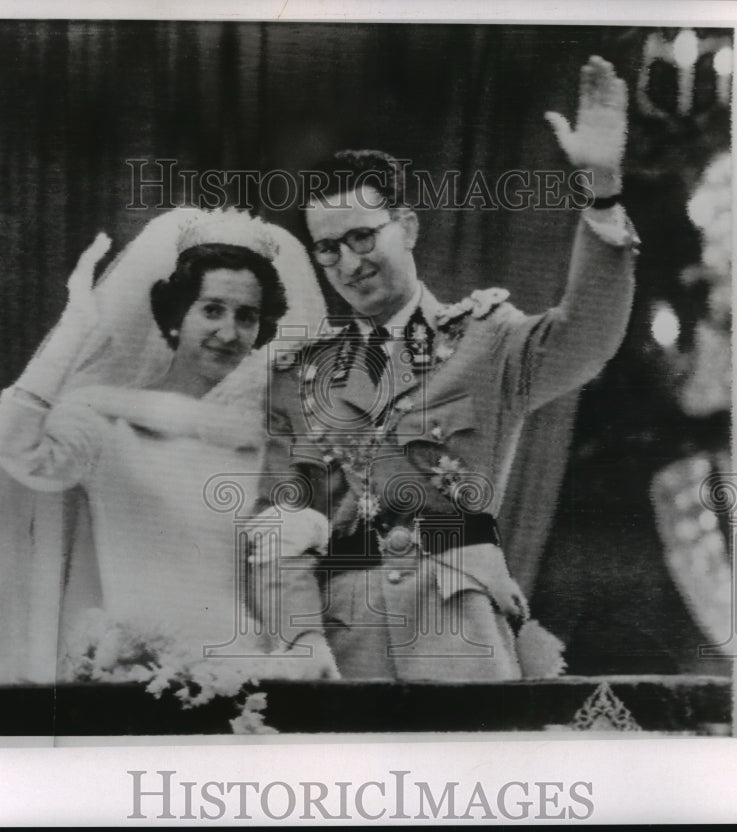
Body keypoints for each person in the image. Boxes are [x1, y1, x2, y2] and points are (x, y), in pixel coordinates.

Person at [250, 56, 640, 682]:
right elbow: (278, 521)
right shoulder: (303, 375)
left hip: (458, 627)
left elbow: (588, 336)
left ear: (405, 226)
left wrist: (602, 191)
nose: (347, 265)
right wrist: (299, 641)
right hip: (344, 644)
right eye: (327, 250)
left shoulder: (486, 340)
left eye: (360, 238)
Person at [0, 207, 332, 689]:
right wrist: (75, 328)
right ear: (175, 315)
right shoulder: (108, 421)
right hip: (135, 674)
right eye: (211, 310)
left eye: (246, 316)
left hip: (247, 673)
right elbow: (18, 451)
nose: (229, 333)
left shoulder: (269, 441)